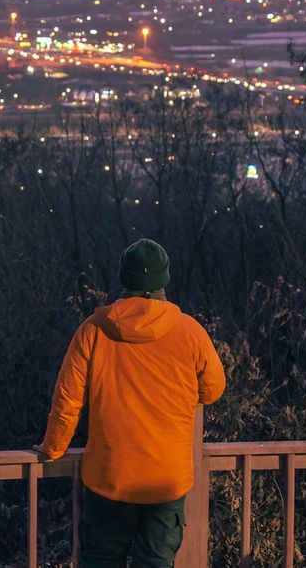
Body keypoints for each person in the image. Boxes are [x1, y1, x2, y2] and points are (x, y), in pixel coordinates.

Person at [35, 238, 226, 568]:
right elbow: (213, 391)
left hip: (111, 476)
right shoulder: (190, 332)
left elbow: (67, 400)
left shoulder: (93, 330)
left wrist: (53, 449)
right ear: (164, 280)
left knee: (101, 561)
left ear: (125, 279)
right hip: (166, 480)